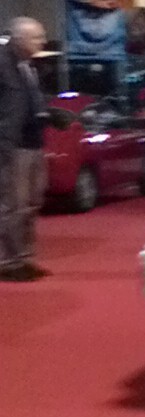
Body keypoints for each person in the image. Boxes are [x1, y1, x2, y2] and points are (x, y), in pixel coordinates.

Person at [0, 17, 50, 282]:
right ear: (19, 39)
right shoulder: (3, 64)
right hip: (12, 146)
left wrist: (49, 115)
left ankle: (25, 257)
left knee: (31, 205)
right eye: (36, 37)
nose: (43, 42)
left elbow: (29, 103)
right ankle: (8, 262)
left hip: (33, 143)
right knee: (13, 206)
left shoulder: (28, 66)